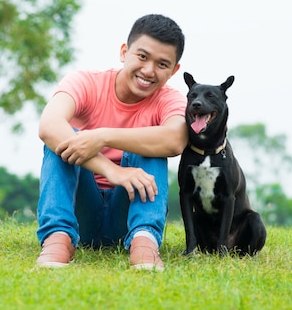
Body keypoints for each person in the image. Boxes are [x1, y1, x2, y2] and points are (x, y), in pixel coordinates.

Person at [36, 14, 187, 271]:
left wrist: (102, 135)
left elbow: (174, 140)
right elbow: (48, 125)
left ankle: (145, 241)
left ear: (173, 71)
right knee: (62, 138)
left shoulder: (169, 100)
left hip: (126, 216)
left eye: (162, 64)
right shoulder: (86, 82)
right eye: (142, 56)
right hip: (81, 210)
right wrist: (112, 170)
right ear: (124, 52)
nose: (149, 70)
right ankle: (58, 238)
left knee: (154, 139)